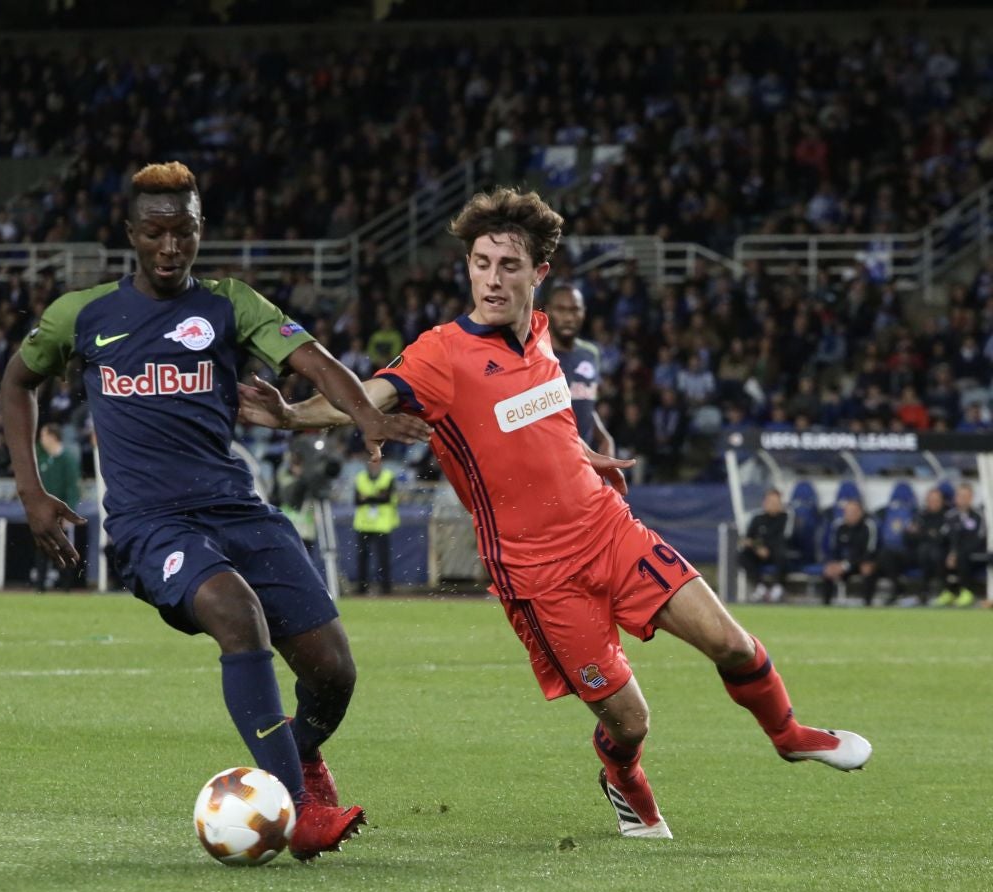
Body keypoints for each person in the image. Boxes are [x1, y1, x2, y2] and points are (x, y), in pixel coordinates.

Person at [239, 187, 871, 840]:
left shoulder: (541, 336)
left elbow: (536, 419)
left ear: (538, 273)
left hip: (608, 530)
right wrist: (290, 415)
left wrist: (582, 457)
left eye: (508, 265)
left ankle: (790, 734)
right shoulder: (441, 354)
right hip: (539, 575)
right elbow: (365, 395)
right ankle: (621, 775)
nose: (492, 279)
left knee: (731, 642)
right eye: (481, 263)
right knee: (631, 723)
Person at [0, 161, 429, 860]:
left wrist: (364, 415)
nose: (171, 247)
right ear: (131, 233)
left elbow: (314, 360)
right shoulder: (83, 314)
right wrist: (31, 491)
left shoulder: (230, 305)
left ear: (201, 229)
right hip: (150, 523)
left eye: (185, 231)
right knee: (237, 613)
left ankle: (299, 756)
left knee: (333, 671)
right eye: (156, 233)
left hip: (236, 508)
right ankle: (295, 811)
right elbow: (17, 383)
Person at [544, 284, 614, 454]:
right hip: (547, 458)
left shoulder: (591, 353)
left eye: (575, 310)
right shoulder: (533, 354)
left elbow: (584, 404)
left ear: (584, 312)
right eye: (561, 309)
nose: (568, 317)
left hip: (583, 461)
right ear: (548, 311)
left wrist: (604, 437)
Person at [31, 423, 81, 592]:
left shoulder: (67, 459)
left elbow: (73, 489)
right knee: (42, 548)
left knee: (64, 548)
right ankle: (40, 587)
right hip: (44, 514)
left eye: (43, 436)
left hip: (60, 512)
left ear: (52, 437)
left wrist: (69, 513)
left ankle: (66, 588)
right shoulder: (43, 457)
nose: (41, 440)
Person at [353, 456, 399, 595]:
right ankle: (362, 588)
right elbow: (357, 500)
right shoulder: (360, 477)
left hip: (382, 524)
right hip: (364, 524)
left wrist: (367, 497)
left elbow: (386, 498)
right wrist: (377, 496)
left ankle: (385, 588)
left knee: (383, 558)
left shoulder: (388, 476)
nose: (373, 465)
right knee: (362, 558)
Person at [821, 499, 879, 606]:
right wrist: (833, 563)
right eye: (847, 512)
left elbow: (870, 551)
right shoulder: (838, 526)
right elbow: (832, 549)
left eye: (853, 512)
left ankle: (867, 605)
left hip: (861, 562)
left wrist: (846, 565)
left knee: (868, 568)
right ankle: (825, 605)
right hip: (843, 563)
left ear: (861, 512)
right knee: (828, 570)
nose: (850, 515)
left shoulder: (869, 526)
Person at [937, 482, 985, 608]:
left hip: (973, 553)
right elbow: (944, 536)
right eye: (959, 496)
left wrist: (956, 553)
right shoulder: (950, 515)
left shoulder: (978, 516)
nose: (962, 499)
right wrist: (952, 552)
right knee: (937, 553)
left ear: (971, 498)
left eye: (965, 496)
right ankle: (947, 591)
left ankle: (966, 591)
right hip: (953, 552)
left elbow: (979, 539)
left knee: (962, 555)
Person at [740, 488, 791, 602]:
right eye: (770, 502)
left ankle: (777, 588)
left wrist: (767, 547)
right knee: (743, 555)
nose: (772, 505)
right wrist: (758, 547)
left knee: (782, 552)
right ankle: (760, 587)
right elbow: (746, 539)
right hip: (759, 553)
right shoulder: (757, 519)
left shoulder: (786, 518)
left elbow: (784, 537)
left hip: (777, 552)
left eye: (775, 502)